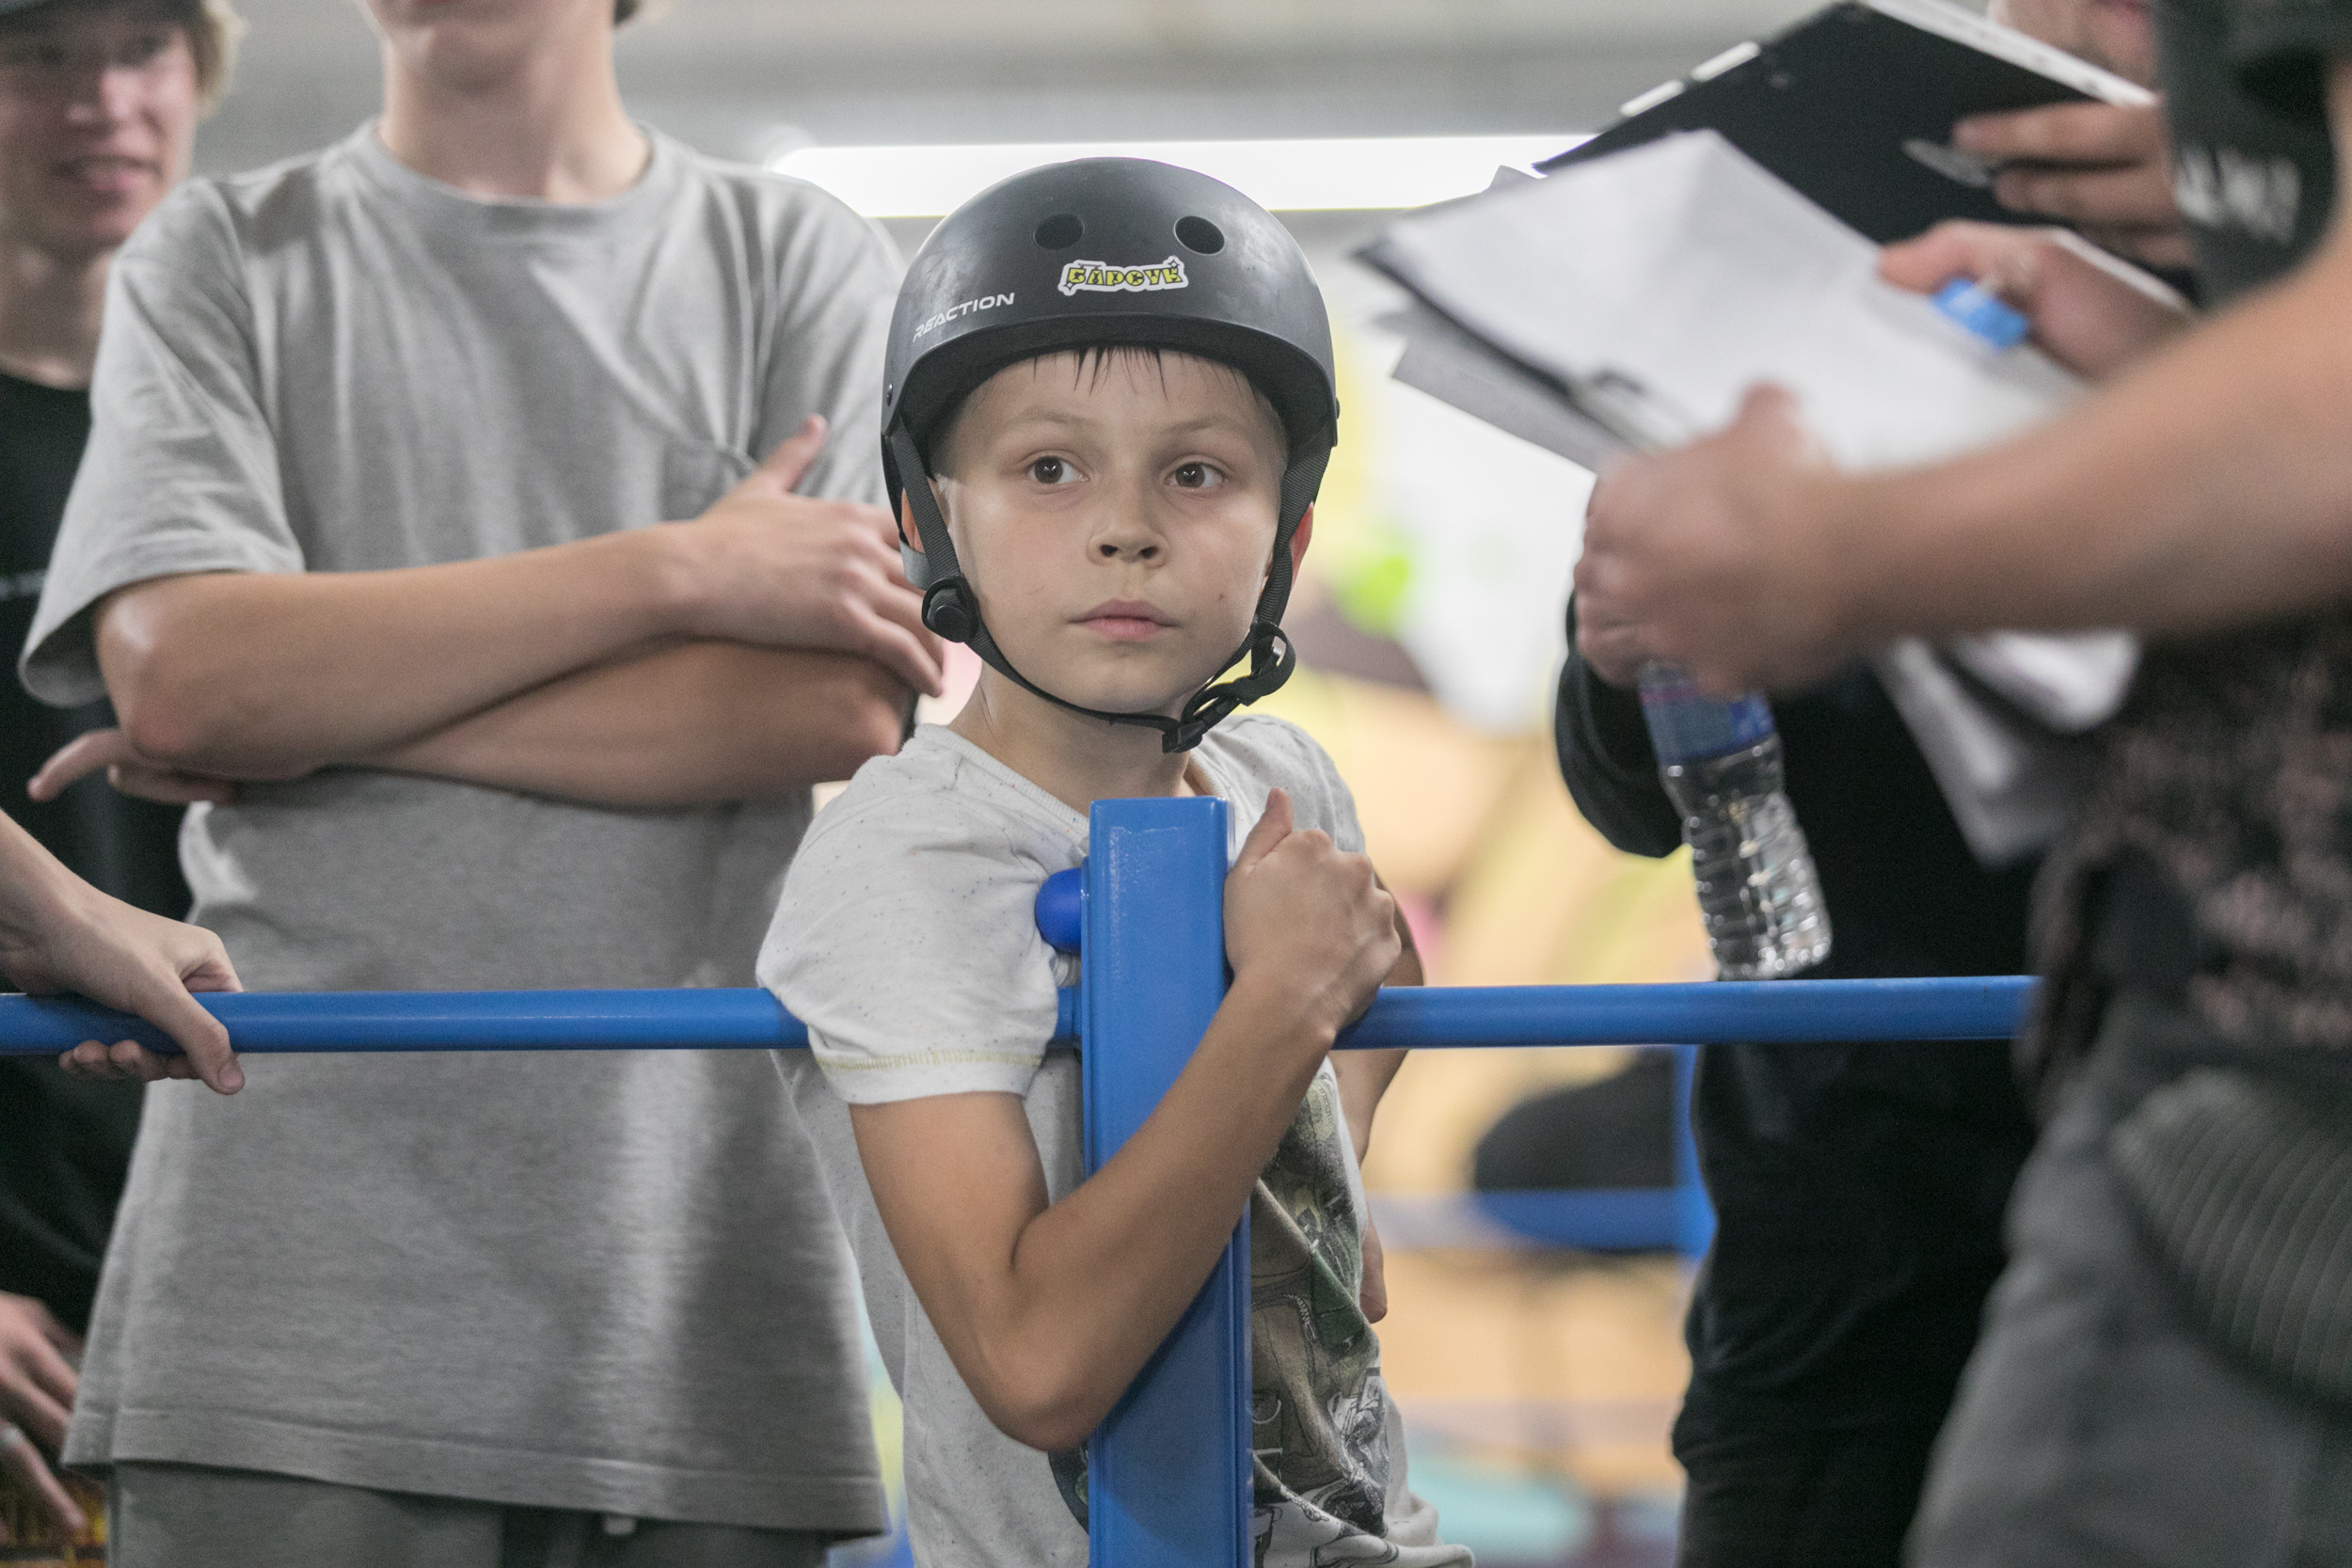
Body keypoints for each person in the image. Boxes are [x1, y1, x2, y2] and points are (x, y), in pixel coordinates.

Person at [17, 0, 941, 1560]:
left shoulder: (798, 257)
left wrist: (321, 710)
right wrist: (679, 571)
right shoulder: (222, 250)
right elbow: (182, 678)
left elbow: (839, 704)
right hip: (290, 1289)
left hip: (695, 1274)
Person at [1572, 0, 2352, 1559]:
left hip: (2255, 1106)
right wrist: (1652, 636)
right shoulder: (1828, 315)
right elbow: (1636, 787)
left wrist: (1841, 554)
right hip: (1876, 1197)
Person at [763, 158, 1465, 1567]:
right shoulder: (904, 860)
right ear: (929, 519)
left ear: (1289, 538)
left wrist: (1320, 1177)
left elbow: (1366, 978)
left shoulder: (1285, 780)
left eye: (1197, 474)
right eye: (1048, 469)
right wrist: (1279, 1009)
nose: (1126, 525)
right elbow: (1035, 1366)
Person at [0, 0, 232, 1545]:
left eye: (142, 49)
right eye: (38, 54)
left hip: (240, 1268)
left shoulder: (257, 437)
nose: (103, 103)